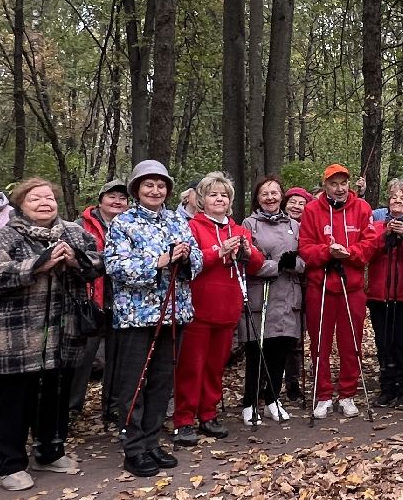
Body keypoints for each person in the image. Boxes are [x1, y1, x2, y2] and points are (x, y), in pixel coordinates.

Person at [0, 179, 102, 490]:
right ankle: (10, 464)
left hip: (63, 331)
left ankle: (50, 451)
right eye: (35, 199)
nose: (44, 203)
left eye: (49, 198)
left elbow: (98, 263)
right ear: (21, 204)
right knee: (14, 402)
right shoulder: (5, 235)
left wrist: (76, 260)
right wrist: (36, 266)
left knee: (56, 396)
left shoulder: (73, 232)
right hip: (15, 335)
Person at [104, 160, 202, 475]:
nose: (155, 191)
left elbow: (197, 257)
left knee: (162, 381)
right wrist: (159, 261)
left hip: (174, 312)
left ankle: (151, 440)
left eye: (161, 186)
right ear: (136, 189)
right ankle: (133, 446)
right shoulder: (123, 223)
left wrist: (186, 259)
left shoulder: (177, 220)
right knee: (134, 383)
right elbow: (115, 265)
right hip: (136, 316)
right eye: (149, 185)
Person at [176, 173, 266, 441]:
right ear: (202, 199)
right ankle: (184, 419)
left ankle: (208, 414)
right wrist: (219, 251)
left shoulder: (239, 230)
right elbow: (190, 262)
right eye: (213, 194)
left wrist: (248, 252)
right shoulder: (192, 227)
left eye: (224, 195)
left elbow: (257, 264)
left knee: (215, 368)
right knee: (191, 367)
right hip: (198, 310)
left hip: (228, 310)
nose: (219, 199)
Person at [299, 164, 379, 418]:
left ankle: (347, 394)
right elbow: (305, 247)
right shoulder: (312, 210)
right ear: (325, 186)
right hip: (321, 286)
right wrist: (327, 252)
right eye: (333, 184)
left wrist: (349, 253)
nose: (339, 188)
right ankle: (323, 395)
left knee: (351, 343)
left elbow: (370, 244)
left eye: (343, 183)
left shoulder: (362, 208)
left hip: (351, 286)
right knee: (319, 344)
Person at [243, 177, 304, 423]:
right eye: (264, 194)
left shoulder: (294, 225)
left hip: (288, 294)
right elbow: (247, 259)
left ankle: (272, 398)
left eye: (274, 193)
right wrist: (275, 266)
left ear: (282, 196)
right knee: (257, 351)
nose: (270, 198)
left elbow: (304, 258)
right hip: (262, 293)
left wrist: (294, 264)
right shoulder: (250, 223)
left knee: (281, 349)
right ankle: (250, 402)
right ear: (258, 198)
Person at [71, 179, 129, 424]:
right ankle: (71, 408)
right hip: (89, 301)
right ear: (100, 200)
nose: (117, 202)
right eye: (111, 197)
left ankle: (112, 407)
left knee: (117, 358)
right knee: (82, 357)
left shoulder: (130, 225)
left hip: (121, 301)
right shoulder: (80, 226)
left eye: (122, 198)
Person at [366, 180, 403, 407]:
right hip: (379, 295)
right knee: (384, 343)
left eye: (402, 197)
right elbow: (367, 254)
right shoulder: (376, 226)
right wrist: (384, 236)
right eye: (393, 197)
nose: (398, 200)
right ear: (387, 202)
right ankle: (387, 387)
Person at [280, 186, 313, 403]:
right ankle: (268, 382)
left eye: (302, 203)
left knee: (296, 338)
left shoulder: (309, 227)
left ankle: (293, 383)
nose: (296, 206)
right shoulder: (278, 225)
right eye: (292, 201)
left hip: (305, 286)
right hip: (279, 286)